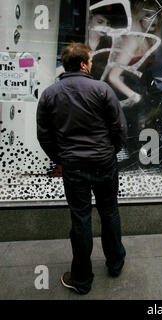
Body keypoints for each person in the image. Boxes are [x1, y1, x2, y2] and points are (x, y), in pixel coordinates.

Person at [36, 43, 128, 295]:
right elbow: (120, 128)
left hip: (74, 167)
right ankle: (115, 263)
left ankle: (82, 279)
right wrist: (109, 152)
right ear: (84, 64)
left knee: (81, 218)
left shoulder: (49, 94)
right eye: (90, 60)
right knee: (109, 211)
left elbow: (44, 136)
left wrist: (63, 158)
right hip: (103, 164)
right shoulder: (102, 90)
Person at [106, 0, 162, 170]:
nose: (153, 20)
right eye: (148, 15)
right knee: (135, 142)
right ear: (139, 18)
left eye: (155, 15)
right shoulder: (133, 40)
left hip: (140, 95)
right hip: (131, 98)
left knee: (141, 143)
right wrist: (134, 96)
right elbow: (113, 76)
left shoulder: (146, 39)